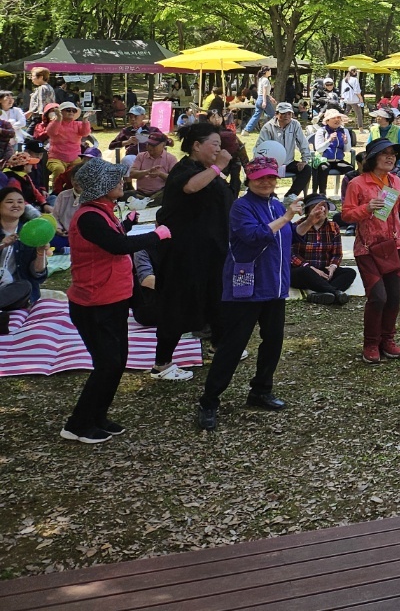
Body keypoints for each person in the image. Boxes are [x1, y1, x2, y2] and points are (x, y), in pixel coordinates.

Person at [60, 161, 168, 443]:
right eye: (115, 180)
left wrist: (129, 223)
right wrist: (156, 235)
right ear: (100, 187)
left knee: (117, 362)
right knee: (107, 364)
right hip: (94, 303)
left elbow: (114, 238)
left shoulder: (103, 212)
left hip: (114, 299)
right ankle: (77, 425)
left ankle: (98, 416)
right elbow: (117, 246)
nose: (122, 183)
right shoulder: (88, 217)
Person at [195, 155, 300, 431]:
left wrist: (307, 221)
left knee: (273, 341)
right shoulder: (241, 207)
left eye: (271, 177)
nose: (266, 182)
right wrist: (286, 217)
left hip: (275, 287)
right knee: (233, 344)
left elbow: (287, 236)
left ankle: (261, 390)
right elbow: (255, 236)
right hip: (248, 286)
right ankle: (209, 401)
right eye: (260, 177)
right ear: (249, 179)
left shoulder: (277, 205)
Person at [341, 139, 400, 362]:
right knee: (377, 297)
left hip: (393, 245)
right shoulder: (357, 183)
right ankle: (371, 343)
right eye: (384, 153)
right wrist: (366, 208)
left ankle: (388, 340)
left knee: (393, 297)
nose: (390, 157)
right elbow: (346, 215)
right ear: (373, 157)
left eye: (393, 154)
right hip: (367, 248)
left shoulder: (394, 181)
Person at [152, 122, 233, 383]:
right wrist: (218, 166)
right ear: (196, 146)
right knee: (177, 304)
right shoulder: (185, 169)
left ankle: (218, 346)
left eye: (221, 146)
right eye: (215, 145)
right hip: (183, 252)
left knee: (217, 297)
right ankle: (162, 363)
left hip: (212, 249)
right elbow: (191, 187)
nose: (219, 150)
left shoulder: (206, 170)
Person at [290, 194, 353, 305]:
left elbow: (337, 253)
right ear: (308, 211)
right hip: (304, 270)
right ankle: (335, 292)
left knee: (349, 273)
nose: (321, 210)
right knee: (303, 272)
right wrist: (310, 268)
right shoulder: (298, 226)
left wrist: (333, 267)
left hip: (324, 272)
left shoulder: (333, 227)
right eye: (315, 207)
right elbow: (291, 254)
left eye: (324, 206)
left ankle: (324, 294)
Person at [0, 185, 49, 315]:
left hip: (14, 292)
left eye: (20, 202)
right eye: (10, 202)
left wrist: (41, 253)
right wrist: (1, 245)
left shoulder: (31, 232)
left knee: (25, 286)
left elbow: (38, 274)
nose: (16, 205)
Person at [255, 103, 313, 197]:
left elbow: (303, 143)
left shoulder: (295, 124)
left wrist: (304, 160)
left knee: (306, 169)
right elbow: (261, 147)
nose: (286, 116)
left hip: (289, 162)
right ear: (276, 114)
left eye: (289, 113)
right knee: (263, 173)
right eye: (283, 113)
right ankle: (272, 196)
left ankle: (291, 195)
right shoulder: (268, 127)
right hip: (271, 163)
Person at [309, 109, 356, 197]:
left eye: (338, 118)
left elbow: (347, 150)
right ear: (327, 121)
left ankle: (349, 194)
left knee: (350, 170)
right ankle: (322, 193)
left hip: (339, 160)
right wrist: (329, 140)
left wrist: (346, 142)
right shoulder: (322, 131)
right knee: (323, 168)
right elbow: (319, 149)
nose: (337, 120)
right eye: (333, 118)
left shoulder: (344, 131)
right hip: (324, 160)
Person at [126, 131, 176, 203]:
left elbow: (175, 179)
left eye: (153, 145)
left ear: (163, 145)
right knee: (124, 195)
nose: (149, 147)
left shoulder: (171, 158)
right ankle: (149, 202)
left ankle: (147, 202)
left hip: (160, 192)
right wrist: (147, 172)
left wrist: (160, 174)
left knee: (167, 195)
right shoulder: (141, 156)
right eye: (148, 144)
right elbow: (132, 174)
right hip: (141, 193)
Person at [243, 67, 275, 133]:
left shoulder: (260, 79)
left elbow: (262, 91)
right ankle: (276, 129)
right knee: (273, 115)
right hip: (264, 98)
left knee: (256, 116)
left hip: (259, 99)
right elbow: (264, 91)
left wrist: (270, 98)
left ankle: (246, 130)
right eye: (270, 71)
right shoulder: (266, 80)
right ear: (266, 72)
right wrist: (264, 101)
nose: (271, 72)